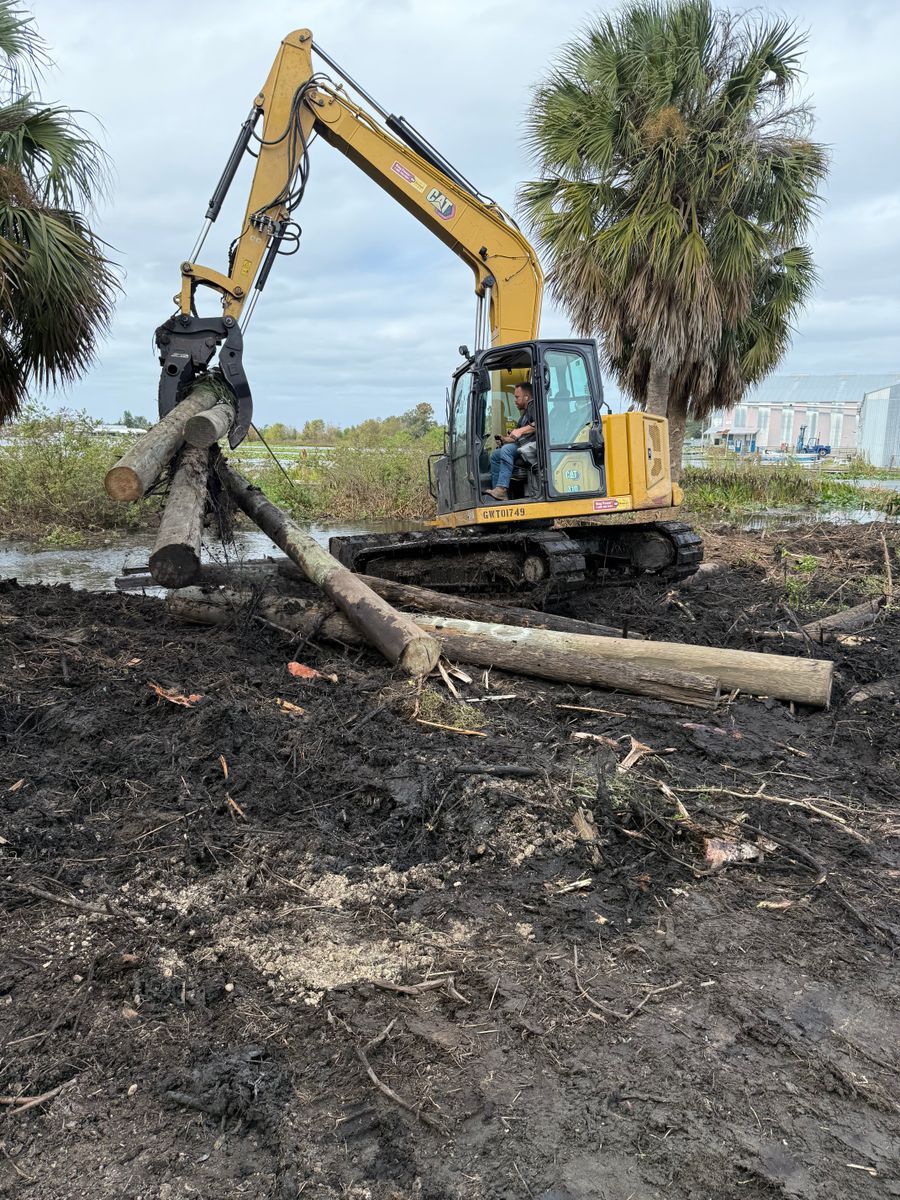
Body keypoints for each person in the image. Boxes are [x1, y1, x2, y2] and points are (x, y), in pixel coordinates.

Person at [485, 382, 536, 501]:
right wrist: (504, 439)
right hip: (521, 444)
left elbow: (539, 424)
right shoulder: (524, 414)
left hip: (532, 445)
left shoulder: (534, 406)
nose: (515, 400)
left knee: (506, 450)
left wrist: (521, 430)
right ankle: (498, 493)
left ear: (526, 397)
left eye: (517, 397)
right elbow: (515, 436)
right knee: (495, 455)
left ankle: (502, 488)